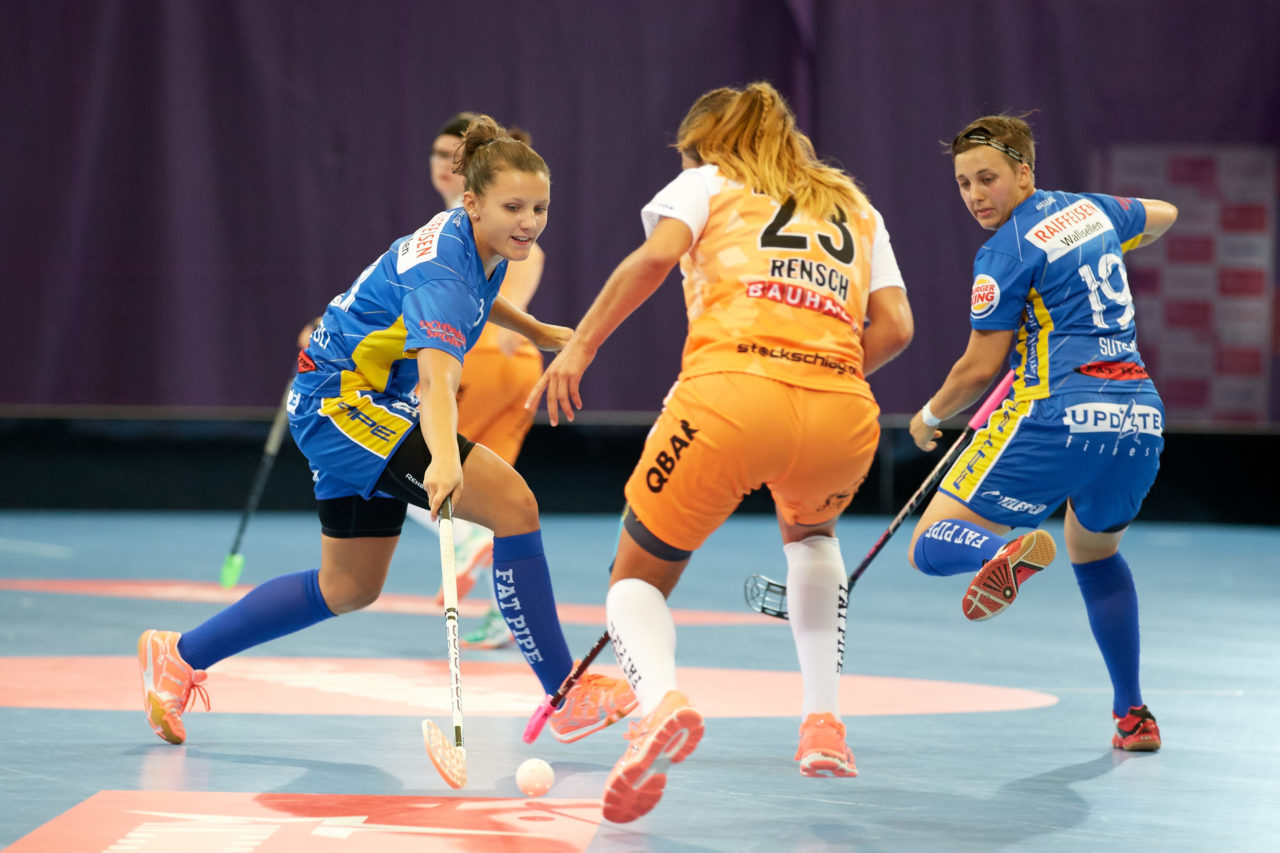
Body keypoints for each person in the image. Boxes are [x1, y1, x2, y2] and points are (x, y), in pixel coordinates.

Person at [138, 115, 636, 749]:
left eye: (539, 207)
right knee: (513, 505)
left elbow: (475, 300)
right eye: (514, 207)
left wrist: (536, 331)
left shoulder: (470, 238)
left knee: (348, 587)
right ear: (473, 203)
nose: (529, 221)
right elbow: (438, 375)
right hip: (343, 404)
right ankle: (564, 694)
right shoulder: (443, 273)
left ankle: (178, 654)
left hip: (347, 400)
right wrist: (447, 463)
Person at [528, 82, 914, 823]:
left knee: (633, 580)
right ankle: (822, 724)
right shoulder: (857, 207)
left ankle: (660, 702)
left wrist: (579, 346)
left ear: (710, 144)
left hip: (730, 393)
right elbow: (895, 326)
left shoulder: (709, 182)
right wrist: (819, 371)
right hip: (842, 406)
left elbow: (653, 259)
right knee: (811, 537)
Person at [904, 114, 1177, 753]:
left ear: (1025, 173)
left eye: (989, 179)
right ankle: (1133, 715)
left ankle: (993, 556)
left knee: (927, 544)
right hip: (1138, 417)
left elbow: (977, 368)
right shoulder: (1094, 210)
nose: (976, 195)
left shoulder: (1004, 250)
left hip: (1056, 415)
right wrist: (1106, 239)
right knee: (1096, 553)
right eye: (965, 183)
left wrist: (928, 417)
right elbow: (1162, 212)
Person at [418, 113, 549, 651]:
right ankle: (506, 615)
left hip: (476, 360)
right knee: (497, 497)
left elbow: (442, 305)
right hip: (521, 369)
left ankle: (469, 542)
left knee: (408, 467)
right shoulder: (519, 228)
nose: (445, 165)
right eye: (438, 152)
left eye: (454, 154)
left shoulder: (460, 224)